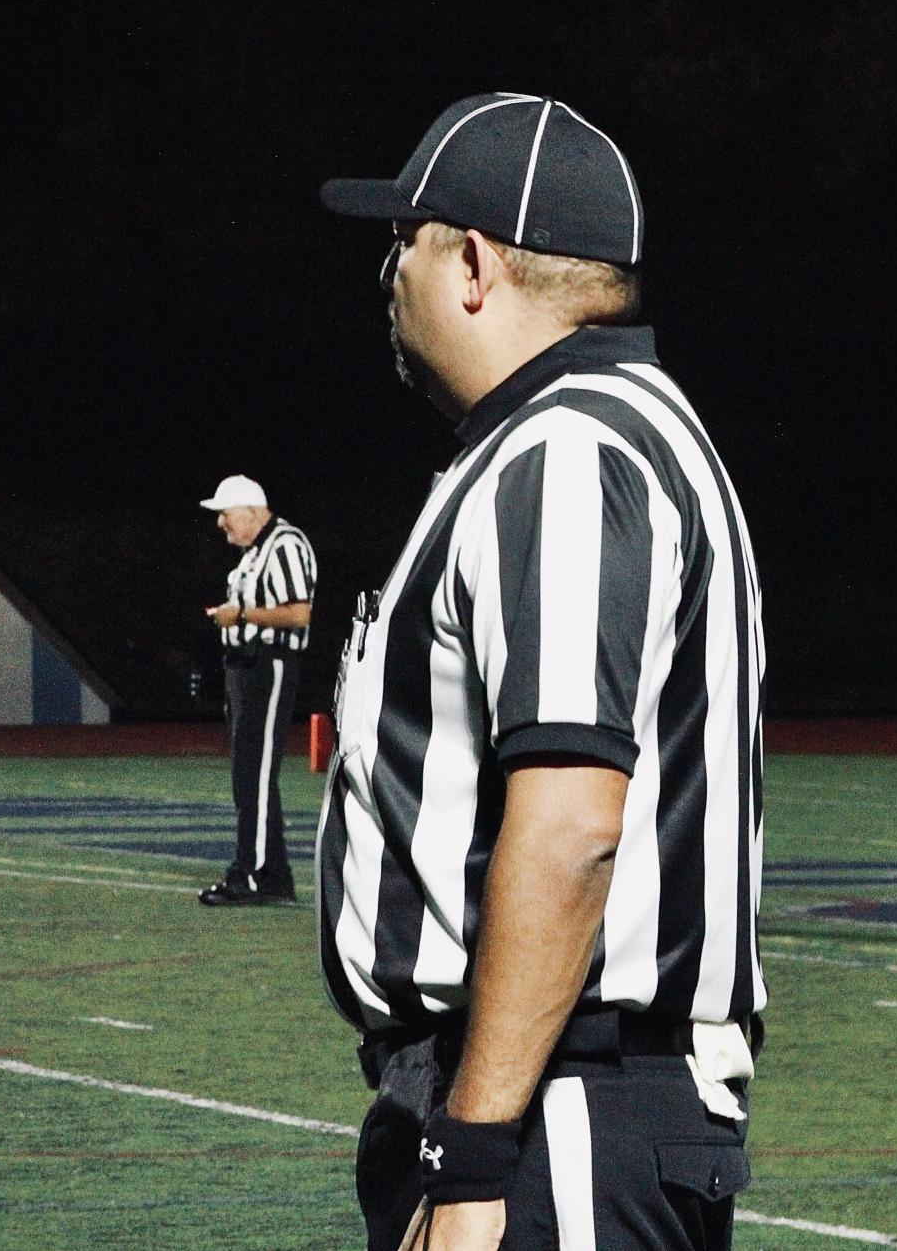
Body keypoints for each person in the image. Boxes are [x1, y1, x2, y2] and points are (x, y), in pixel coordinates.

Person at [318, 93, 767, 1251]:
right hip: (557, 1100)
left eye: (403, 242)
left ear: (473, 261)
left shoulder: (567, 448)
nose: (386, 275)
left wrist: (470, 1148)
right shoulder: (598, 429)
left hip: (553, 1107)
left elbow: (572, 822)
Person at [196, 474, 316, 905]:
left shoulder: (284, 544)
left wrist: (242, 614)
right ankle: (273, 875)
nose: (221, 524)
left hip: (268, 667)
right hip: (247, 669)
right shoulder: (258, 551)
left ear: (250, 509)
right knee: (251, 776)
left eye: (226, 514)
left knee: (255, 775)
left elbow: (299, 614)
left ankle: (253, 874)